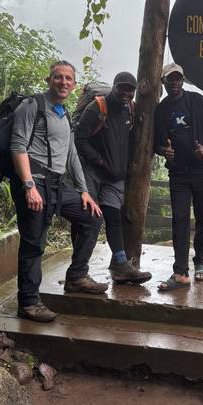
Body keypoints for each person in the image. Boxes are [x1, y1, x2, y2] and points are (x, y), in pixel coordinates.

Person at [10, 60, 107, 323]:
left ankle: (77, 276)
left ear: (74, 85)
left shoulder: (62, 113)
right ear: (49, 80)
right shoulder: (32, 106)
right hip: (35, 183)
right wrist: (29, 186)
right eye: (58, 77)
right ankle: (28, 303)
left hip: (56, 185)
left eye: (68, 79)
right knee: (34, 243)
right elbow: (18, 145)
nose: (63, 82)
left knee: (92, 216)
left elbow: (72, 154)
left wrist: (84, 191)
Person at [74, 71, 151, 284]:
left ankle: (120, 265)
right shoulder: (97, 108)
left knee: (114, 219)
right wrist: (99, 160)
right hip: (93, 172)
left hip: (114, 178)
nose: (126, 93)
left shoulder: (130, 110)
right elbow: (80, 140)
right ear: (114, 87)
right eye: (122, 88)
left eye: (130, 90)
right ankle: (79, 270)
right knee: (89, 219)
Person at [153, 63, 203, 291]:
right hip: (179, 173)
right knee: (180, 220)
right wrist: (164, 151)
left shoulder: (198, 102)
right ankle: (180, 272)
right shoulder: (162, 110)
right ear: (163, 82)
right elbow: (157, 143)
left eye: (177, 79)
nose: (174, 83)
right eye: (169, 80)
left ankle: (200, 261)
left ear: (182, 80)